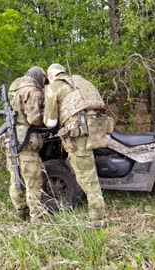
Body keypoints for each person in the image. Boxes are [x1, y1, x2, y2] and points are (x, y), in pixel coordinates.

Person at [43, 63, 109, 227]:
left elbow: (50, 122)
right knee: (87, 168)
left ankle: (98, 219)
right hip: (97, 128)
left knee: (87, 176)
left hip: (79, 134)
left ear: (51, 76)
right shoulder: (80, 82)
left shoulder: (54, 87)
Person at [0, 66, 48, 222]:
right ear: (39, 77)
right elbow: (34, 119)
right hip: (24, 139)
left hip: (10, 138)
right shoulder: (32, 90)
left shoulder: (14, 87)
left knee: (15, 177)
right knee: (32, 180)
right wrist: (46, 121)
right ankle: (37, 218)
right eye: (44, 81)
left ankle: (20, 212)